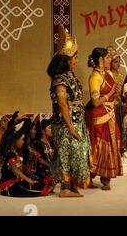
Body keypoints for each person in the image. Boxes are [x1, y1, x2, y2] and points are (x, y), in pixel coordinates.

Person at [47, 25, 91, 197]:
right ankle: (65, 188)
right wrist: (70, 126)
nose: (76, 60)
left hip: (76, 122)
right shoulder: (59, 79)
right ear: (66, 60)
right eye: (74, 57)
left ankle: (72, 185)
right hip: (65, 124)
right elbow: (63, 104)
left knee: (77, 152)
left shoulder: (71, 76)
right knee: (66, 153)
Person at [86, 47, 123, 190]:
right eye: (107, 58)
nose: (110, 60)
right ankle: (90, 175)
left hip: (110, 114)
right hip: (98, 116)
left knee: (111, 144)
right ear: (100, 60)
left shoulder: (109, 73)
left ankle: (106, 177)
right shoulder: (95, 77)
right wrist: (110, 94)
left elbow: (112, 94)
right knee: (98, 146)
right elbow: (95, 102)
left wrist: (115, 92)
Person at [0, 121, 53, 197]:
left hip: (16, 181)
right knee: (31, 188)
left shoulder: (15, 153)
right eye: (22, 139)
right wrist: (28, 179)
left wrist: (29, 176)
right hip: (8, 185)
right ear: (15, 140)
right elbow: (15, 170)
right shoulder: (10, 154)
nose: (23, 142)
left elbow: (21, 168)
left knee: (39, 183)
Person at [107, 46, 127, 153]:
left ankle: (119, 151)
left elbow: (123, 94)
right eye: (115, 62)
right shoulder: (106, 75)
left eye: (119, 62)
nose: (118, 64)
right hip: (108, 107)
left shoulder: (122, 76)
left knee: (120, 129)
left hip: (119, 107)